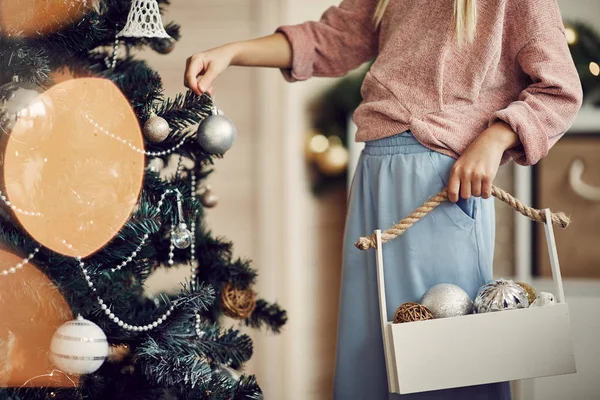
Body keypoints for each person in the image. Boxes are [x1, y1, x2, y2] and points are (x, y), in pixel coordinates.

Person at [184, 0, 583, 398]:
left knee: (445, 362)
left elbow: (560, 89)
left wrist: (494, 139)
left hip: (443, 185)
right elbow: (330, 39)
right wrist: (231, 52)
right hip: (374, 173)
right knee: (370, 356)